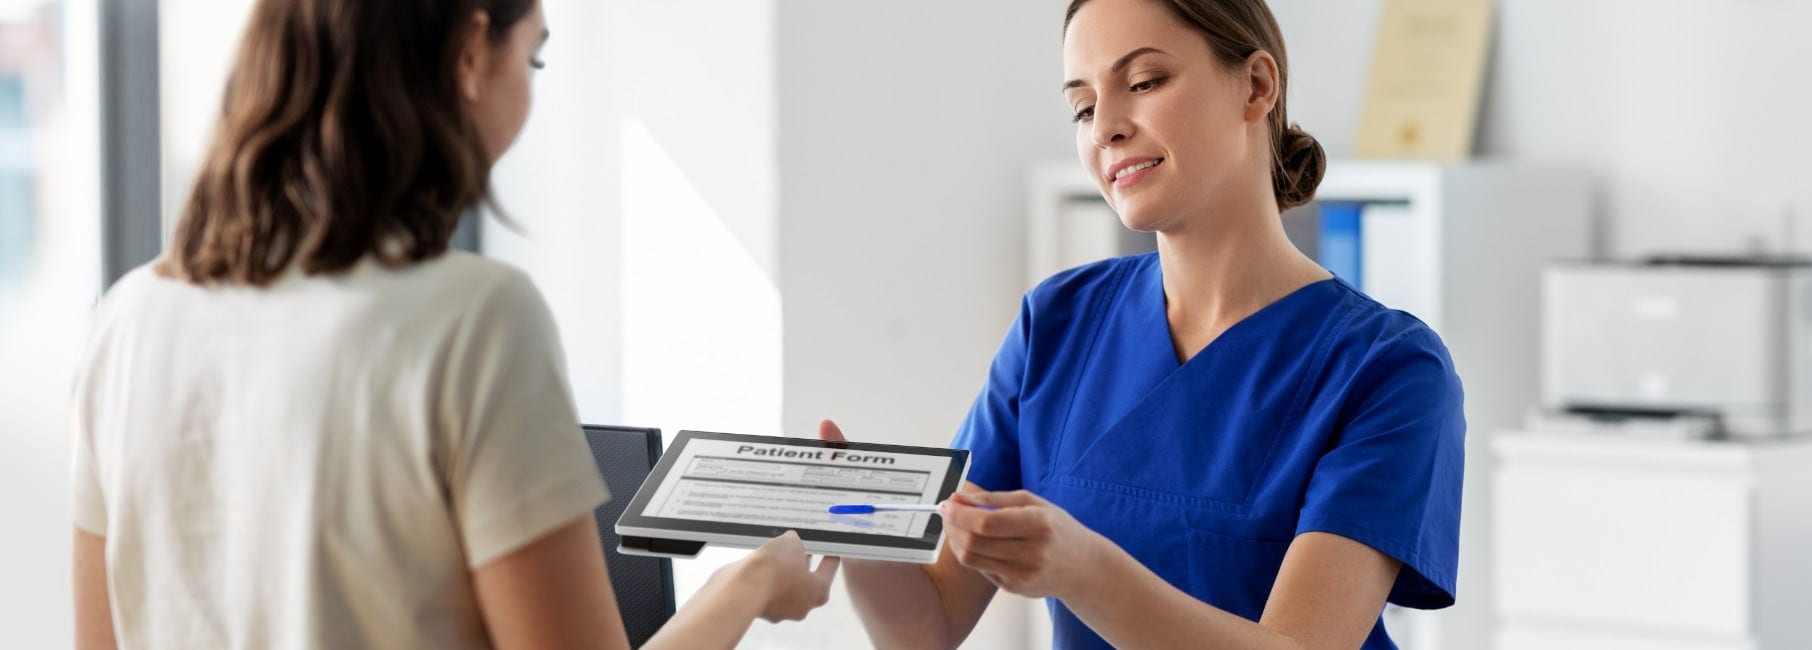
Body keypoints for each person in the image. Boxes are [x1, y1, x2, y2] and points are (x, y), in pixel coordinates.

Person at [68, 1, 836, 648]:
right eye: (532, 60)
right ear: (472, 51)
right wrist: (752, 584)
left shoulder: (127, 322)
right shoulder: (477, 321)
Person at [826, 0, 1464, 647]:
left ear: (1256, 85)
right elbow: (925, 627)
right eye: (1082, 106)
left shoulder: (1388, 370)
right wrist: (852, 523)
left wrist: (1086, 572)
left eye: (1143, 83)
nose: (1105, 127)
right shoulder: (1054, 326)